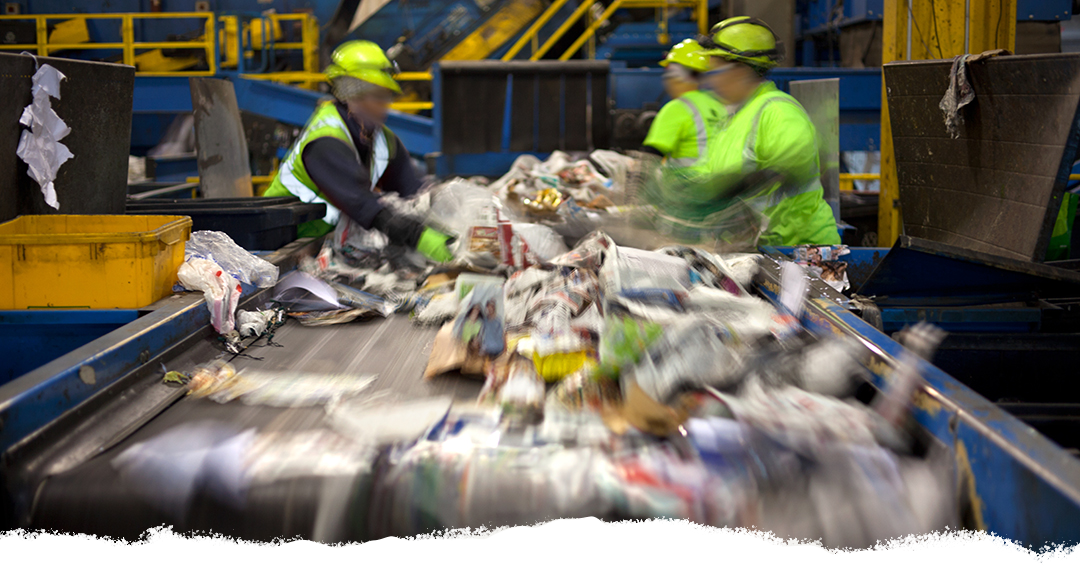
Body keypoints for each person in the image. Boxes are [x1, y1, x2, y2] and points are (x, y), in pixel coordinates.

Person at [265, 40, 455, 262]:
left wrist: (450, 212)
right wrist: (421, 238)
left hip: (326, 248)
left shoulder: (381, 138)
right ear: (353, 96)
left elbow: (413, 188)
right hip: (282, 250)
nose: (386, 104)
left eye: (387, 96)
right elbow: (365, 206)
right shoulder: (326, 141)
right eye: (379, 96)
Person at [697, 17, 841, 246]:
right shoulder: (734, 118)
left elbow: (795, 164)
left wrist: (739, 186)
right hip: (760, 251)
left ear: (739, 69)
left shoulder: (778, 110)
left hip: (802, 256)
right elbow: (711, 176)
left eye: (715, 69)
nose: (710, 79)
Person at [641, 39, 724, 171]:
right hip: (724, 185)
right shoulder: (720, 105)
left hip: (686, 187)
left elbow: (649, 160)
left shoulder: (678, 108)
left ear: (676, 76)